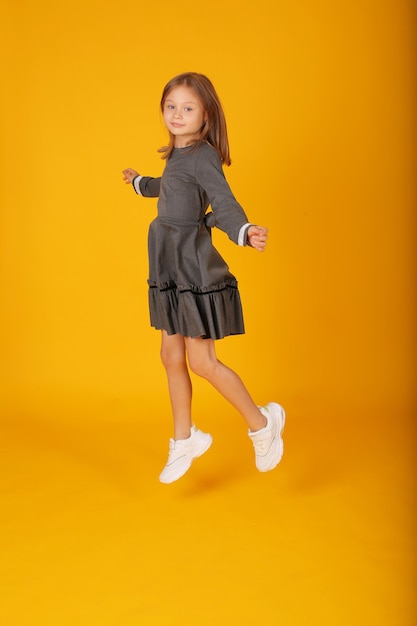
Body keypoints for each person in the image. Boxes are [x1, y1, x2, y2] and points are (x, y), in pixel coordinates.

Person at [122, 72, 285, 484]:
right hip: (167, 265)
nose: (177, 114)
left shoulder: (204, 155)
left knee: (202, 362)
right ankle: (185, 438)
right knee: (170, 357)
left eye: (188, 107)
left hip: (191, 268)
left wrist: (244, 231)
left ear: (206, 116)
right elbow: (169, 187)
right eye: (170, 106)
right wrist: (140, 183)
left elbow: (224, 202)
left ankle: (262, 423)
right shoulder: (177, 155)